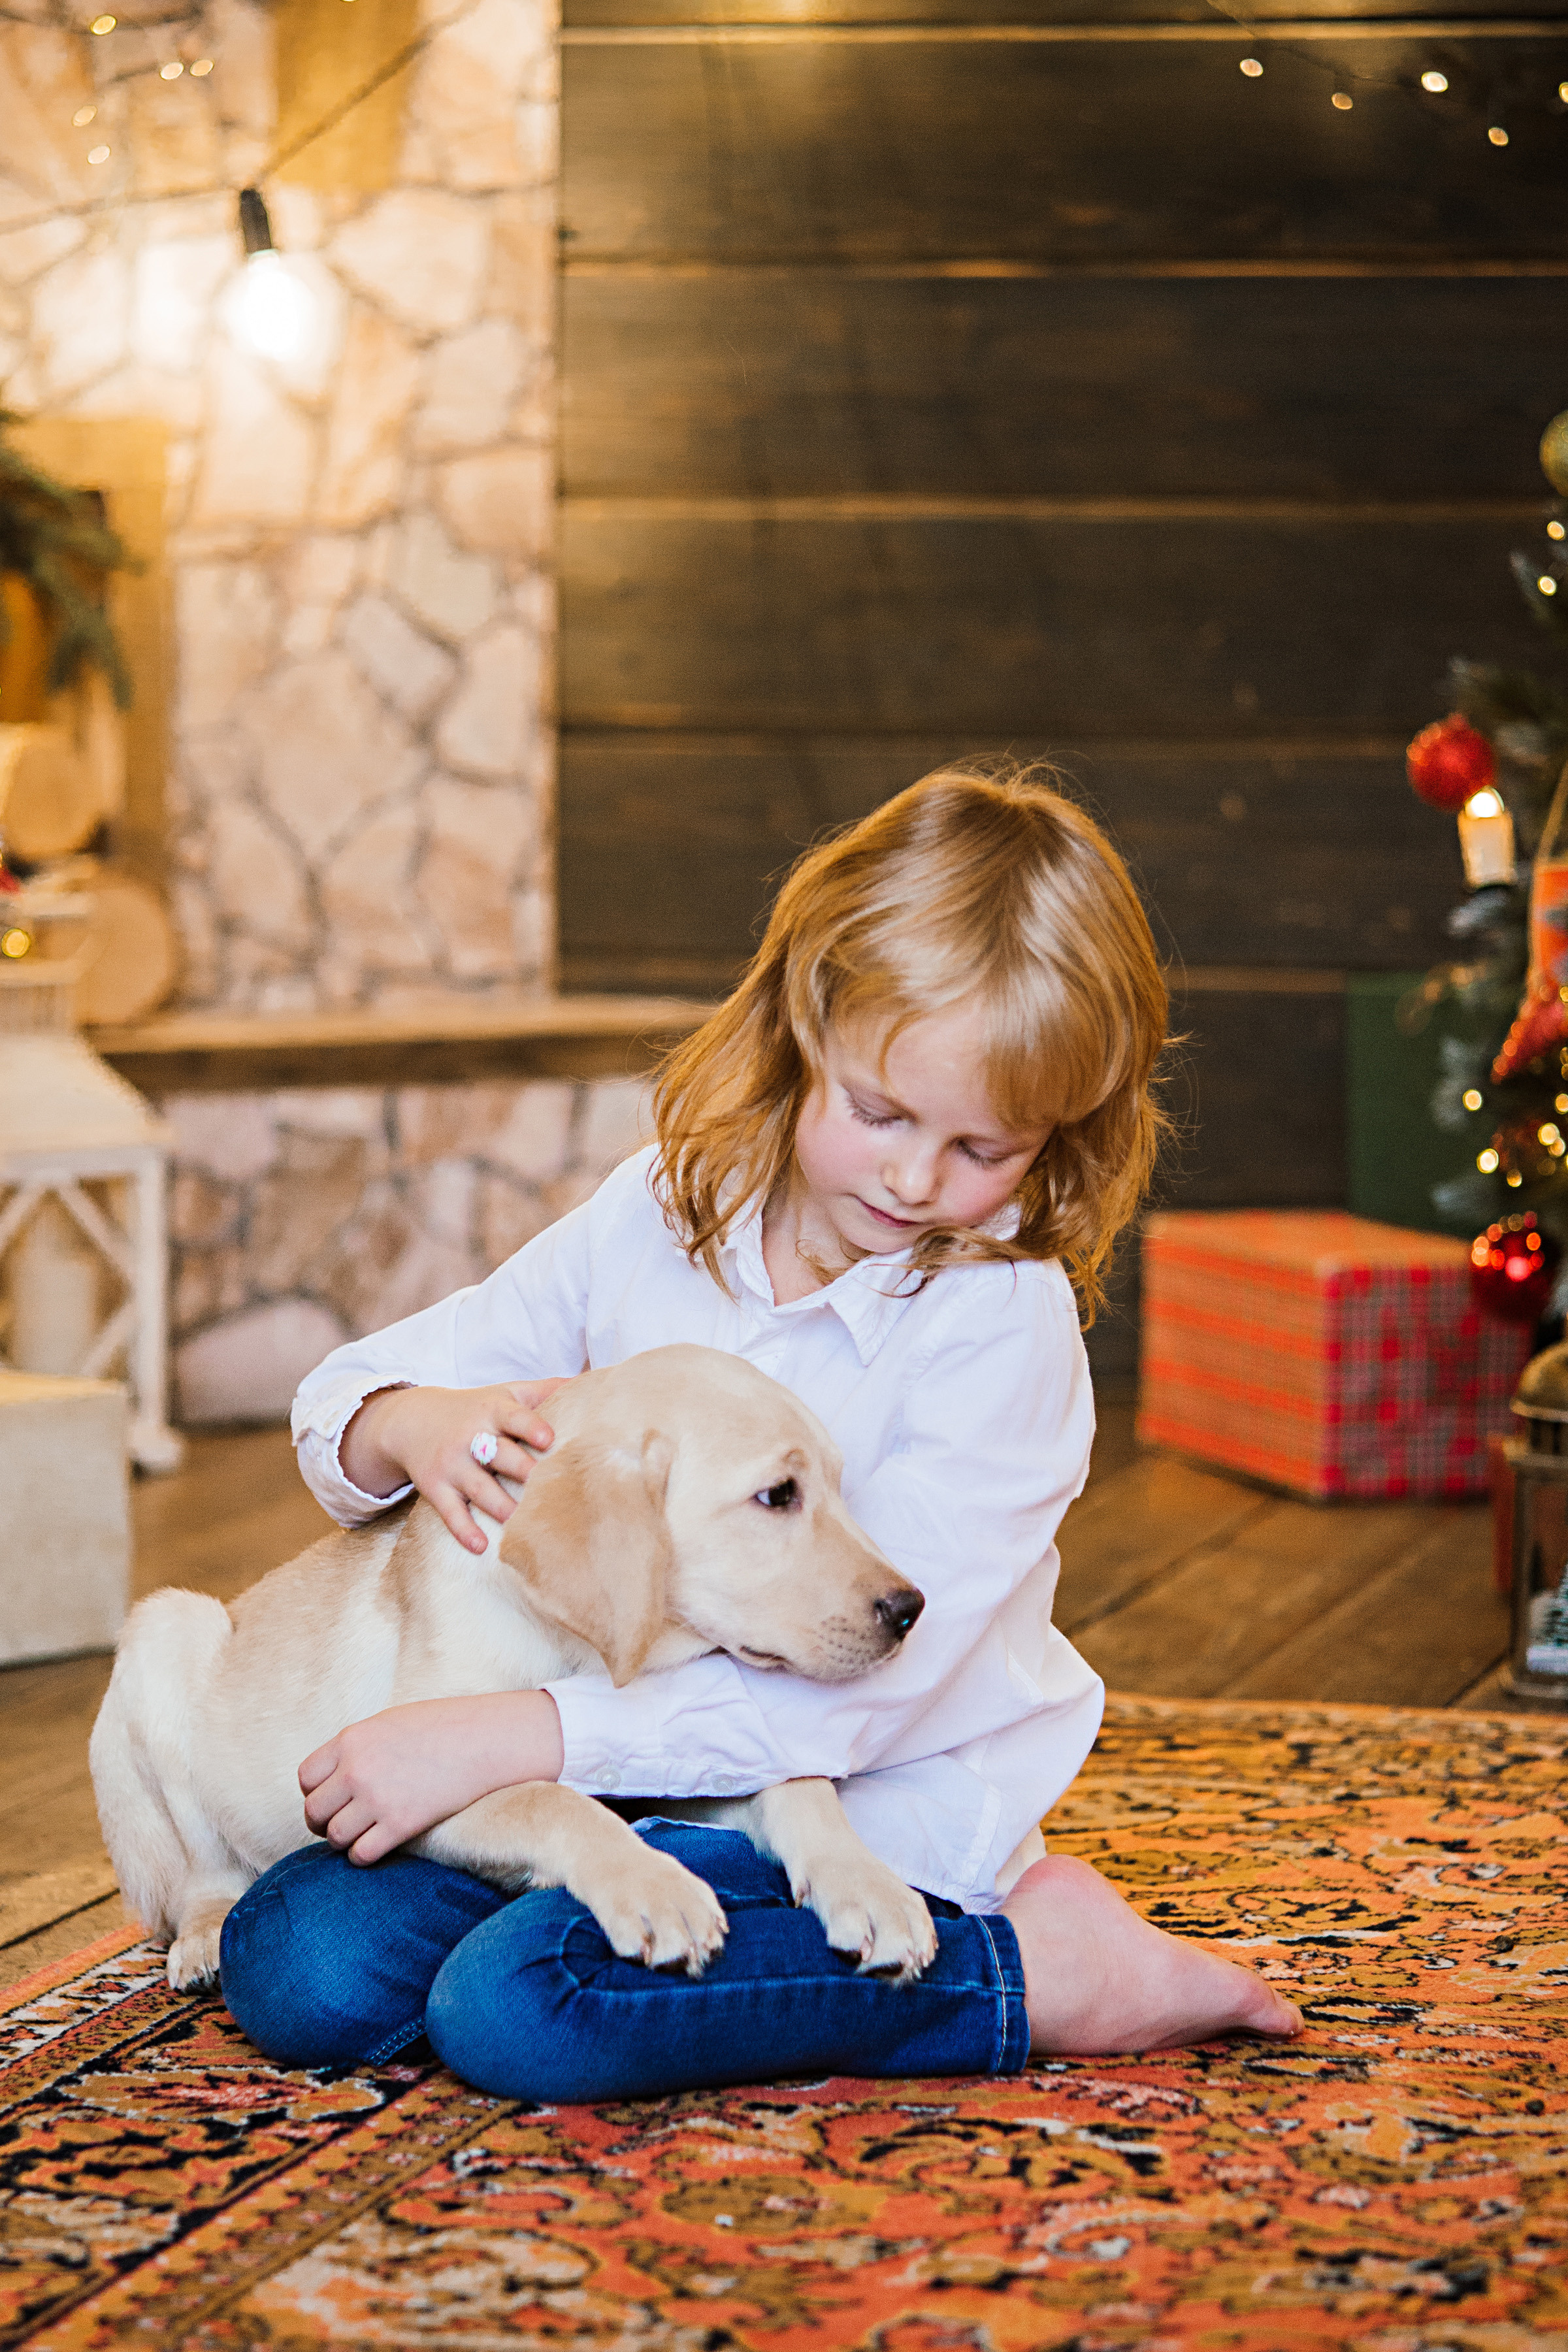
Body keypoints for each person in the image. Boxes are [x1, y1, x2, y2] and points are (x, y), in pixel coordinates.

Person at [218, 764, 1301, 2097]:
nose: (918, 1180)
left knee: (522, 2010)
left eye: (985, 1148)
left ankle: (1033, 1969)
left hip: (853, 1796)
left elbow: (868, 1700)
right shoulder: (663, 1210)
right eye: (883, 1114)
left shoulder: (999, 1326)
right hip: (617, 1793)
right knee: (296, 1958)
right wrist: (414, 1420)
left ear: (1060, 1134)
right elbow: (362, 1397)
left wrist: (513, 1738)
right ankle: (636, 1948)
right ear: (805, 1029)